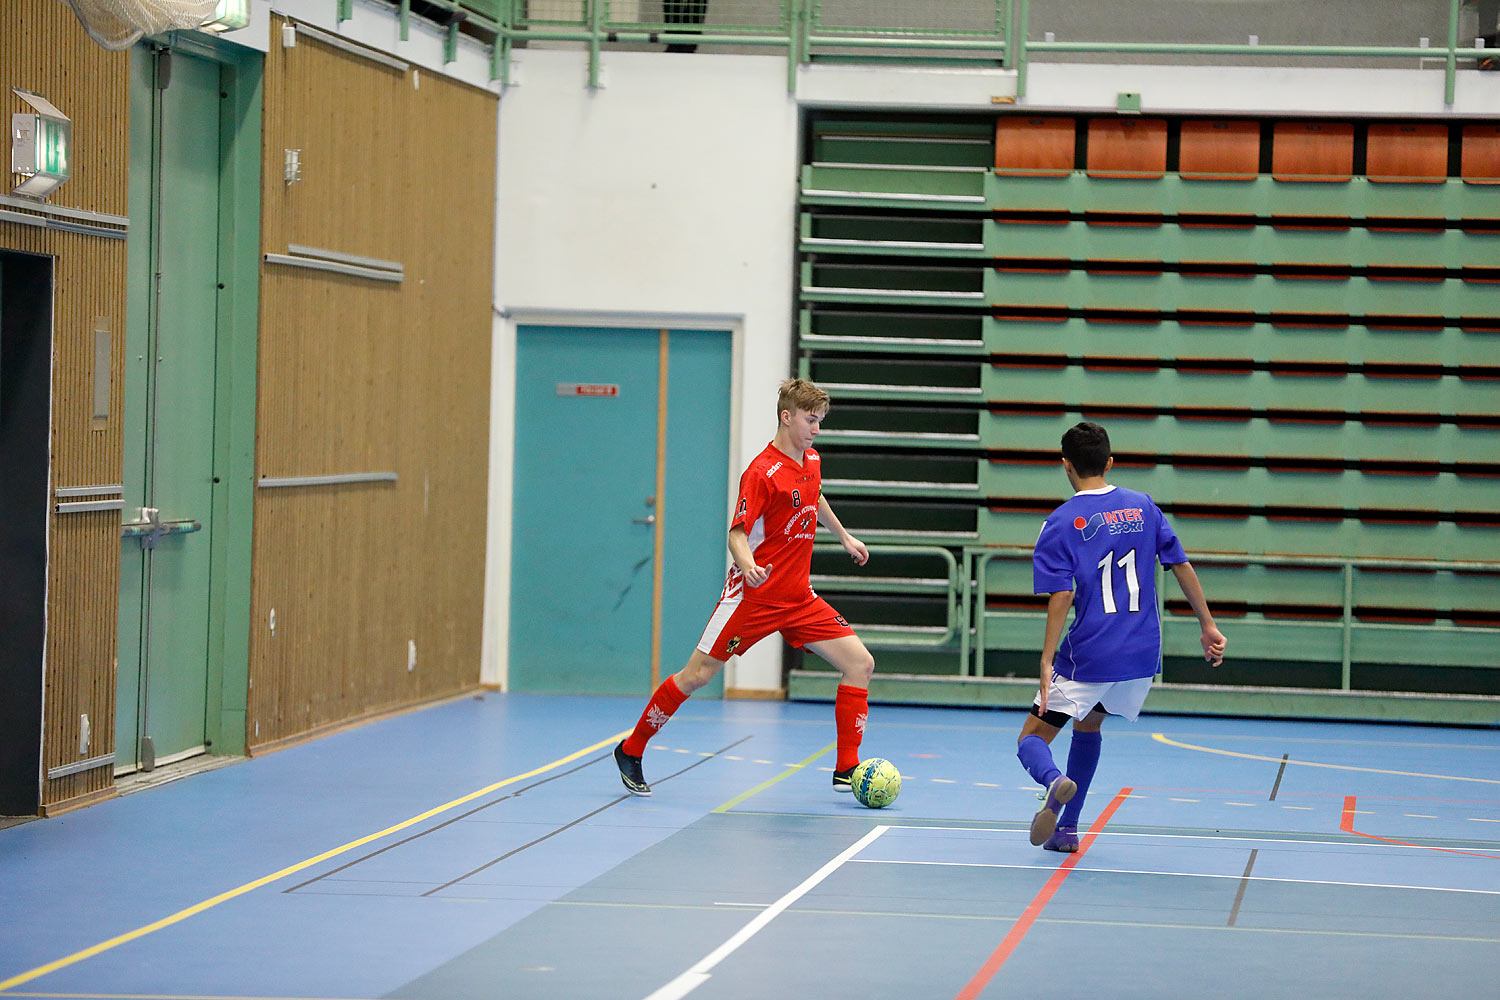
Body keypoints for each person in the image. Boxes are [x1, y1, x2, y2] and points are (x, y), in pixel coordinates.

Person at [613, 378, 876, 796]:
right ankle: (632, 747)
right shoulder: (760, 472)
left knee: (860, 663)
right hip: (752, 597)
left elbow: (815, 496)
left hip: (798, 598)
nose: (816, 429)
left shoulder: (811, 461)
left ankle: (846, 768)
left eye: (821, 421)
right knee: (697, 675)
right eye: (811, 420)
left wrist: (844, 536)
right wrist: (748, 563)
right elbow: (736, 533)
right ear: (787, 417)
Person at [1016, 421, 1227, 851]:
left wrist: (1046, 658)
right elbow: (1180, 563)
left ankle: (1054, 781)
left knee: (1031, 740)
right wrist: (1207, 624)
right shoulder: (1144, 506)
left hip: (1093, 650)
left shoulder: (1060, 523)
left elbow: (1062, 593)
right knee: (1090, 724)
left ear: (1066, 466)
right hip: (1142, 654)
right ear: (1110, 463)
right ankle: (1067, 830)